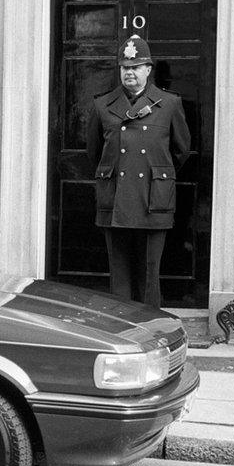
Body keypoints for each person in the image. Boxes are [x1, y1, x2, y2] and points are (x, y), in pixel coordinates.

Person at [86, 34, 191, 308]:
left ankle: (152, 330)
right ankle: (121, 330)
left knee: (149, 275)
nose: (129, 72)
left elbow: (181, 151)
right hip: (116, 200)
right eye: (125, 67)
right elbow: (95, 154)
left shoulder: (168, 104)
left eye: (135, 67)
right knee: (119, 275)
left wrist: (156, 176)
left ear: (148, 69)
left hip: (153, 200)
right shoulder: (102, 105)